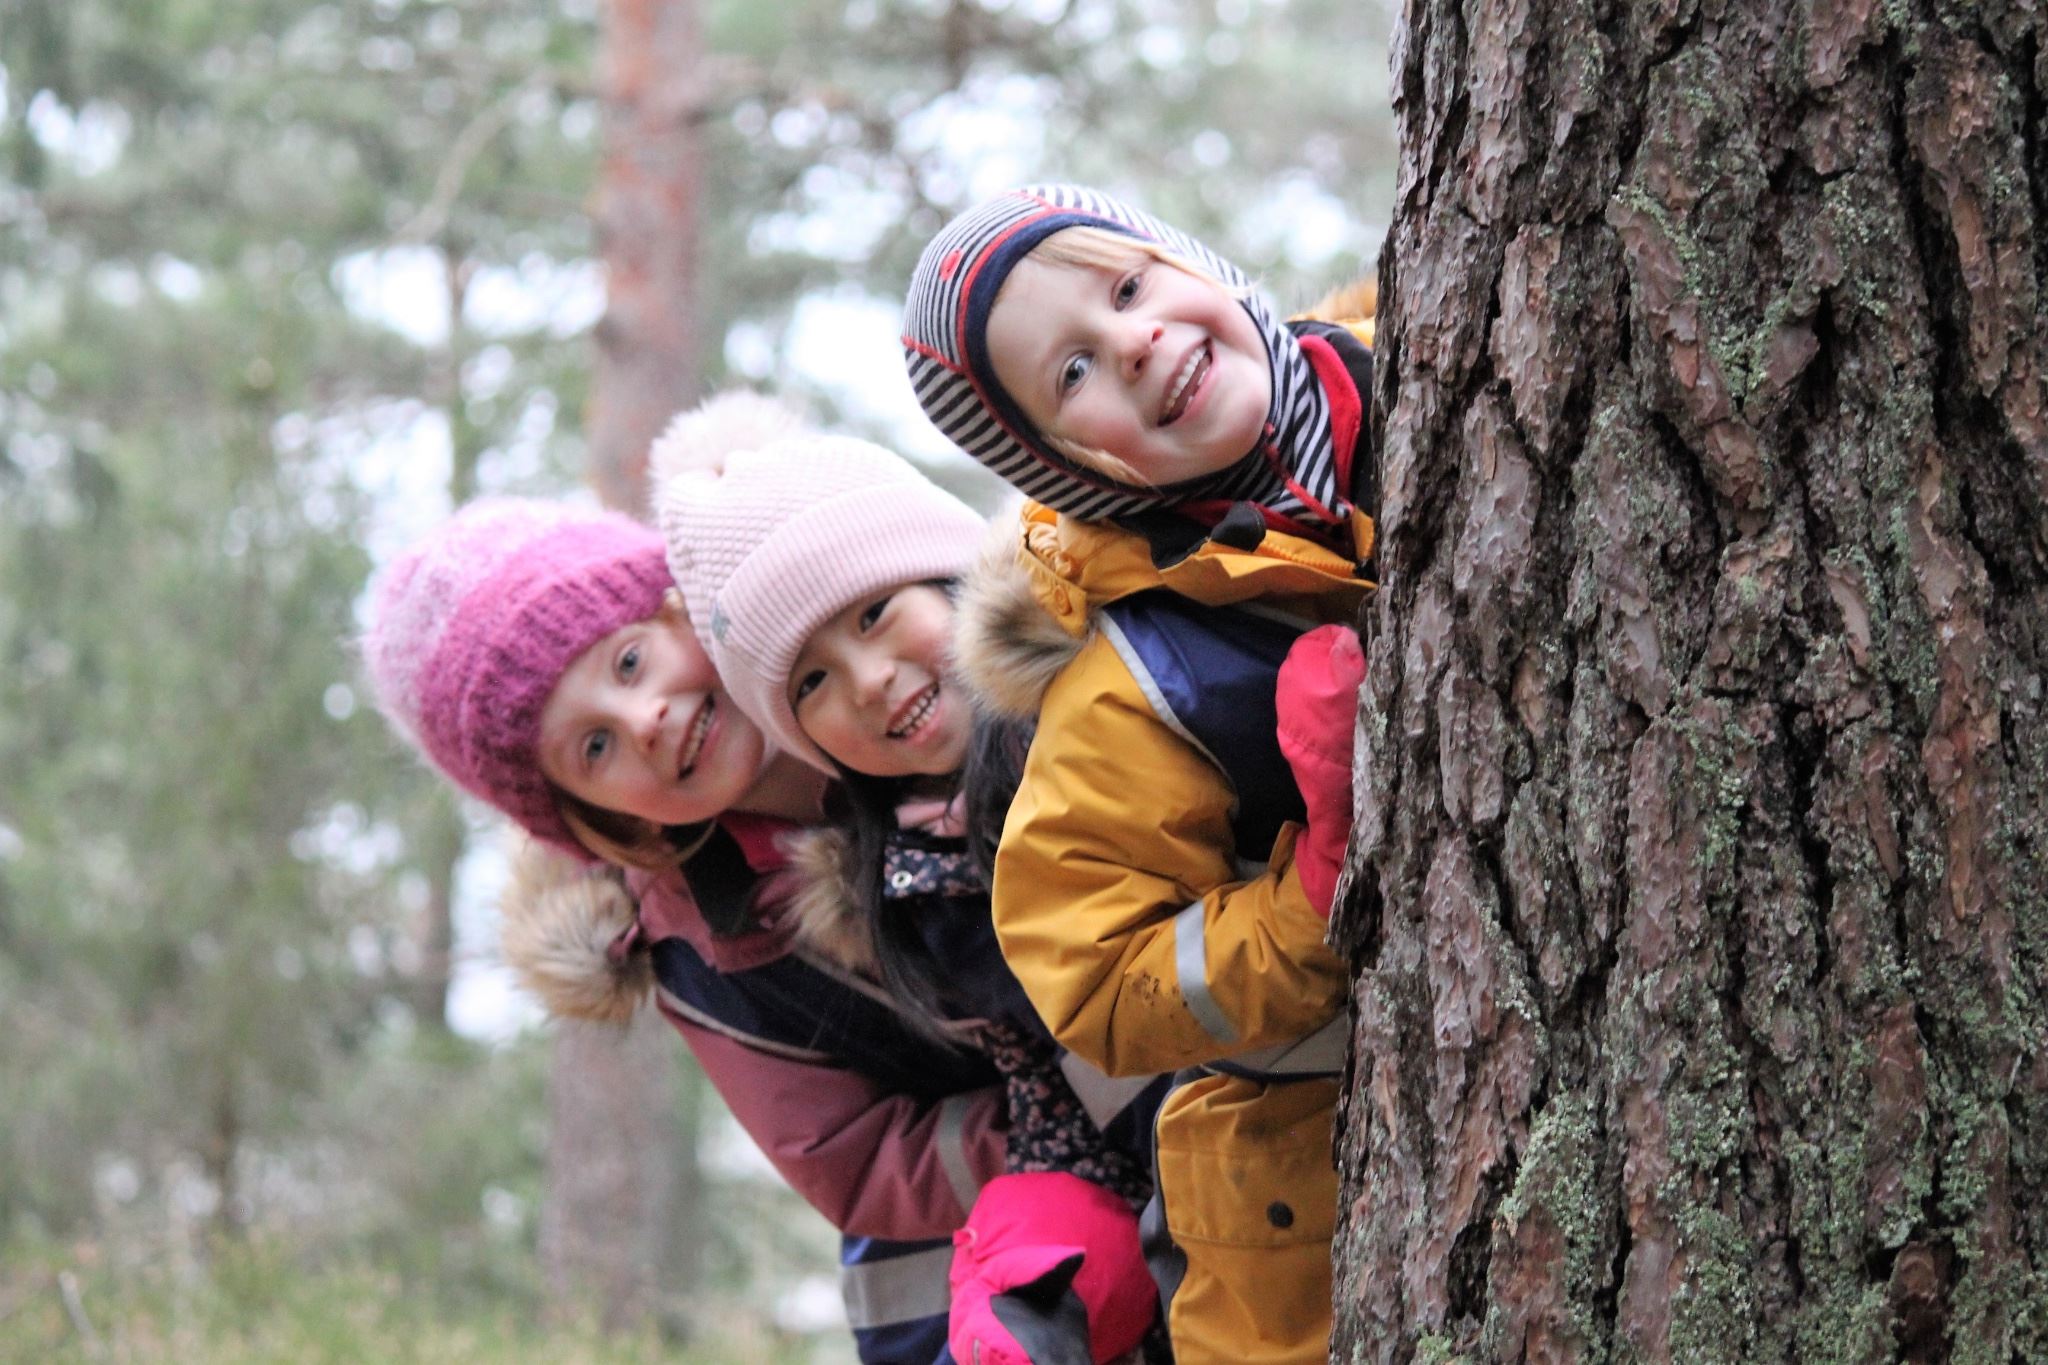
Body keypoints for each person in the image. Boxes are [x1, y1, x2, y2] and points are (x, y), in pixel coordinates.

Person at [899, 183, 1378, 1363]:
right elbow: (1100, 978)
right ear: (1057, 466)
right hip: (1320, 1205)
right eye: (1070, 375)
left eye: (1125, 288)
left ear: (1197, 265)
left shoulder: (1452, 369)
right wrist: (1313, 887)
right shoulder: (1129, 677)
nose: (1132, 341)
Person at [360, 489, 1006, 1363]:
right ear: (595, 820)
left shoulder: (908, 678)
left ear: (686, 611)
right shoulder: (711, 946)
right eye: (593, 749)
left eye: (629, 664)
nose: (645, 720)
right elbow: (849, 1153)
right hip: (985, 1250)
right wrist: (1046, 1130)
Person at [655, 409, 1164, 1365]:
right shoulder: (906, 882)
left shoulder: (1116, 661)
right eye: (810, 684)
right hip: (1132, 1168)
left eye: (874, 613)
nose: (870, 680)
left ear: (952, 569)